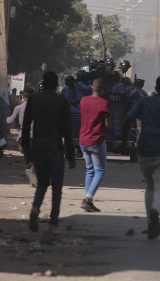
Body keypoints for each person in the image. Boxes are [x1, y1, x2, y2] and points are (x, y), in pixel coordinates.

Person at [121, 75, 160, 240]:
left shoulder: (145, 101)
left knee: (150, 186)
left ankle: (150, 222)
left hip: (145, 150)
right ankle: (155, 212)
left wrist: (123, 140)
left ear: (156, 87)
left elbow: (128, 118)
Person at [21, 71, 75, 234]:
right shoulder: (61, 101)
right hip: (55, 148)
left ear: (43, 83)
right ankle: (53, 223)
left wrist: (26, 150)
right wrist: (71, 155)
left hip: (38, 147)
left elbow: (25, 126)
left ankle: (36, 209)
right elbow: (67, 131)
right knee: (57, 187)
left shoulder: (34, 100)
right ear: (56, 84)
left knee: (42, 183)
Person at [79, 78, 110, 212]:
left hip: (83, 140)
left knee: (90, 169)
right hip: (96, 141)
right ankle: (88, 198)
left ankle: (88, 200)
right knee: (100, 171)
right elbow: (108, 125)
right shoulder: (104, 103)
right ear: (102, 90)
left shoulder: (83, 101)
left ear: (92, 87)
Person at [6, 87, 37, 186]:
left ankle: (31, 179)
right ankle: (31, 171)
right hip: (34, 138)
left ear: (23, 96)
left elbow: (10, 121)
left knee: (30, 159)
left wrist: (5, 118)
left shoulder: (18, 107)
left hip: (21, 139)